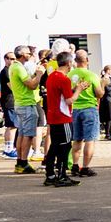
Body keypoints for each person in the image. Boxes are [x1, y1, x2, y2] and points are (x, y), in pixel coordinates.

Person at [41, 51, 78, 187]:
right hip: (63, 117)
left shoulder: (51, 76)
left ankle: (50, 174)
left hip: (53, 115)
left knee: (54, 146)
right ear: (68, 63)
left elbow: (60, 94)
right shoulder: (64, 78)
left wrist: (73, 89)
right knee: (65, 146)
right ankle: (62, 175)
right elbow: (69, 100)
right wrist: (79, 89)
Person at [7, 46, 44, 174]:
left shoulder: (14, 67)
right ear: (22, 54)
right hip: (27, 104)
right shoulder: (19, 67)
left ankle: (20, 161)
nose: (30, 54)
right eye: (28, 53)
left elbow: (26, 82)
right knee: (28, 135)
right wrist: (39, 75)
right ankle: (23, 163)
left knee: (22, 134)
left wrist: (34, 75)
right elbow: (32, 85)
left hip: (20, 103)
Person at [67, 49, 103, 177]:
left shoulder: (70, 75)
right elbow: (99, 93)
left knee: (77, 139)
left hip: (75, 108)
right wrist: (103, 84)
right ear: (87, 60)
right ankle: (86, 167)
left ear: (75, 61)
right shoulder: (92, 75)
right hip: (89, 108)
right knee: (90, 139)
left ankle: (75, 165)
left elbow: (68, 91)